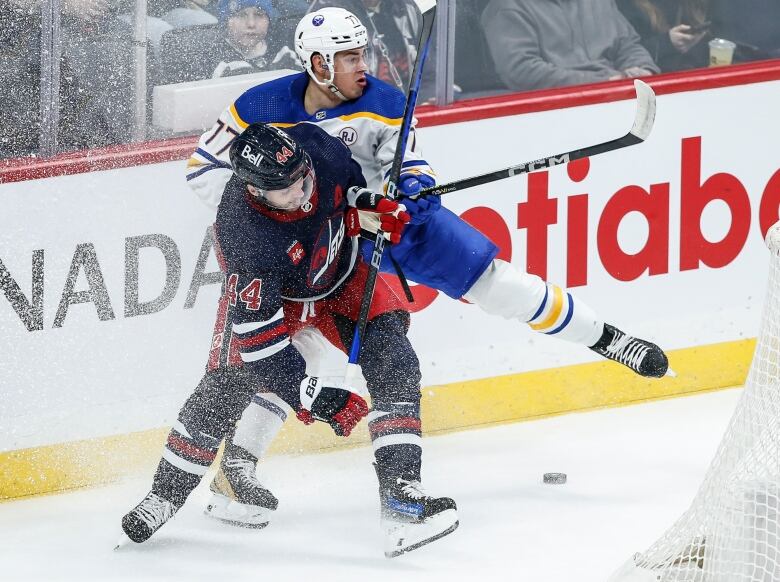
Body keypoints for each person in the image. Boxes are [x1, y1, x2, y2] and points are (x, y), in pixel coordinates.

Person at [183, 7, 671, 533]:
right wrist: (289, 219)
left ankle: (606, 338)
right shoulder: (258, 105)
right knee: (293, 350)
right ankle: (236, 467)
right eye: (349, 57)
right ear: (318, 64)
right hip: (308, 242)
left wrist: (410, 192)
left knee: (494, 282)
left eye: (362, 53)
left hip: (385, 222)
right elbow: (202, 170)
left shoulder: (387, 101)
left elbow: (408, 162)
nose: (363, 66)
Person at [120, 122, 460, 557]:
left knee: (393, 355)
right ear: (256, 193)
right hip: (278, 300)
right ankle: (163, 496)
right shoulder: (246, 235)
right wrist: (318, 400)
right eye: (286, 191)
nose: (302, 193)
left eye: (304, 179)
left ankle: (400, 496)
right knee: (225, 387)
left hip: (339, 273)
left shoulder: (319, 149)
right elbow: (261, 348)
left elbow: (348, 191)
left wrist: (370, 206)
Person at [480, 0, 660, 92]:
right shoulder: (507, 7)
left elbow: (627, 43)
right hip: (552, 115)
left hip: (620, 101)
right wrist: (605, 81)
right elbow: (521, 71)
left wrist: (644, 70)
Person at [157, 0, 299, 85]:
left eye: (259, 15)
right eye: (240, 15)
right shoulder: (214, 63)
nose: (251, 23)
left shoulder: (286, 55)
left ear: (269, 20)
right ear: (225, 21)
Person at [617, 0, 710, 72]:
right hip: (653, 80)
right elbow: (624, 52)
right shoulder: (625, 5)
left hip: (693, 75)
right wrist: (668, 43)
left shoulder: (688, 4)